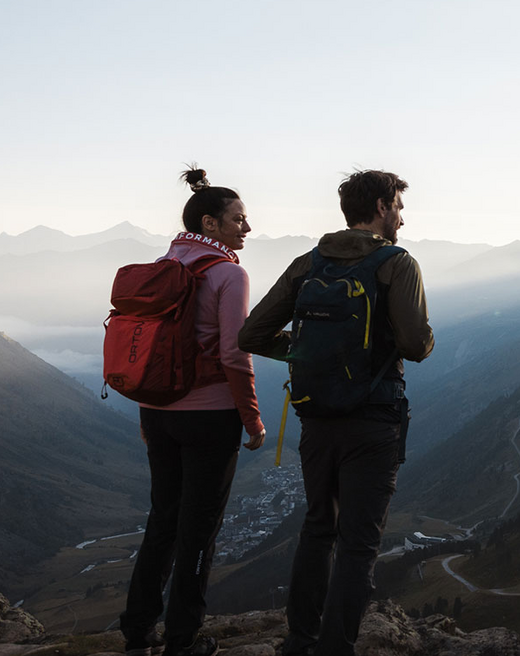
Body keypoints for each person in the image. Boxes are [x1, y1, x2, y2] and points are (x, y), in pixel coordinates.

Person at [239, 169, 433, 656]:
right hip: (373, 419)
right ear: (383, 207)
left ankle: (300, 640)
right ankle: (336, 647)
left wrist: (310, 352)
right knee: (359, 542)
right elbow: (414, 344)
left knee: (318, 527)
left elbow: (251, 335)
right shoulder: (398, 263)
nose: (403, 218)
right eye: (399, 207)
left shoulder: (308, 264)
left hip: (317, 418)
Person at [120, 168, 266, 656]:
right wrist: (252, 418)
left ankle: (137, 631)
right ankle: (182, 640)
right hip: (209, 416)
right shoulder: (229, 273)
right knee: (199, 530)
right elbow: (233, 354)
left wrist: (150, 410)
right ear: (211, 222)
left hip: (157, 410)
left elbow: (147, 344)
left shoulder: (165, 264)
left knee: (163, 517)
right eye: (239, 219)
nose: (247, 228)